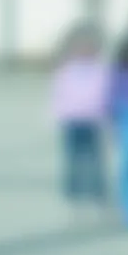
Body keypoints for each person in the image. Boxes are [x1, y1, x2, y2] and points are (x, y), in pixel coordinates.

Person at [51, 25, 111, 211]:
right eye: (80, 48)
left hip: (92, 120)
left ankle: (97, 191)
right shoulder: (66, 71)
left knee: (95, 158)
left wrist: (107, 114)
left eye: (89, 47)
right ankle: (73, 192)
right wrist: (57, 115)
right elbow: (58, 94)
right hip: (73, 120)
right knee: (73, 159)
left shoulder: (101, 70)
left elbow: (106, 93)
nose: (84, 51)